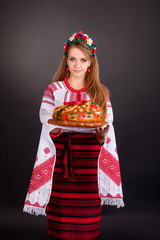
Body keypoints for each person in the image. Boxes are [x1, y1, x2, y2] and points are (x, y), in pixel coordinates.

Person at [23, 31, 124, 240]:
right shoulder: (54, 90)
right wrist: (60, 125)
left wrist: (101, 136)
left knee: (86, 220)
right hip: (62, 156)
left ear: (90, 63)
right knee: (61, 216)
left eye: (83, 59)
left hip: (90, 158)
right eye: (73, 59)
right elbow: (46, 118)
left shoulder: (100, 92)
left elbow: (108, 122)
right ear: (66, 61)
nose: (78, 65)